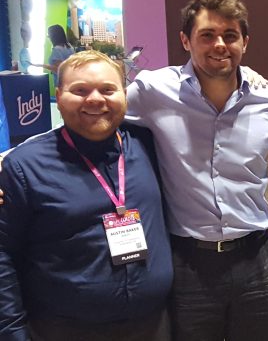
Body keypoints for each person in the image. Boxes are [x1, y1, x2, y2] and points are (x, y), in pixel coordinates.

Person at [125, 0, 268, 340]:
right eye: (207, 35)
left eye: (230, 36)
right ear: (186, 40)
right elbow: (95, 117)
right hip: (188, 264)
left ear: (245, 42)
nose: (220, 45)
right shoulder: (152, 91)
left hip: (256, 259)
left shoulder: (265, 98)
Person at [0, 50, 172, 340]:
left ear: (124, 95)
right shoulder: (25, 166)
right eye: (79, 90)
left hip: (153, 325)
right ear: (58, 95)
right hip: (64, 330)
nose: (95, 99)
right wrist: (12, 331)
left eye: (108, 89)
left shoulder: (151, 145)